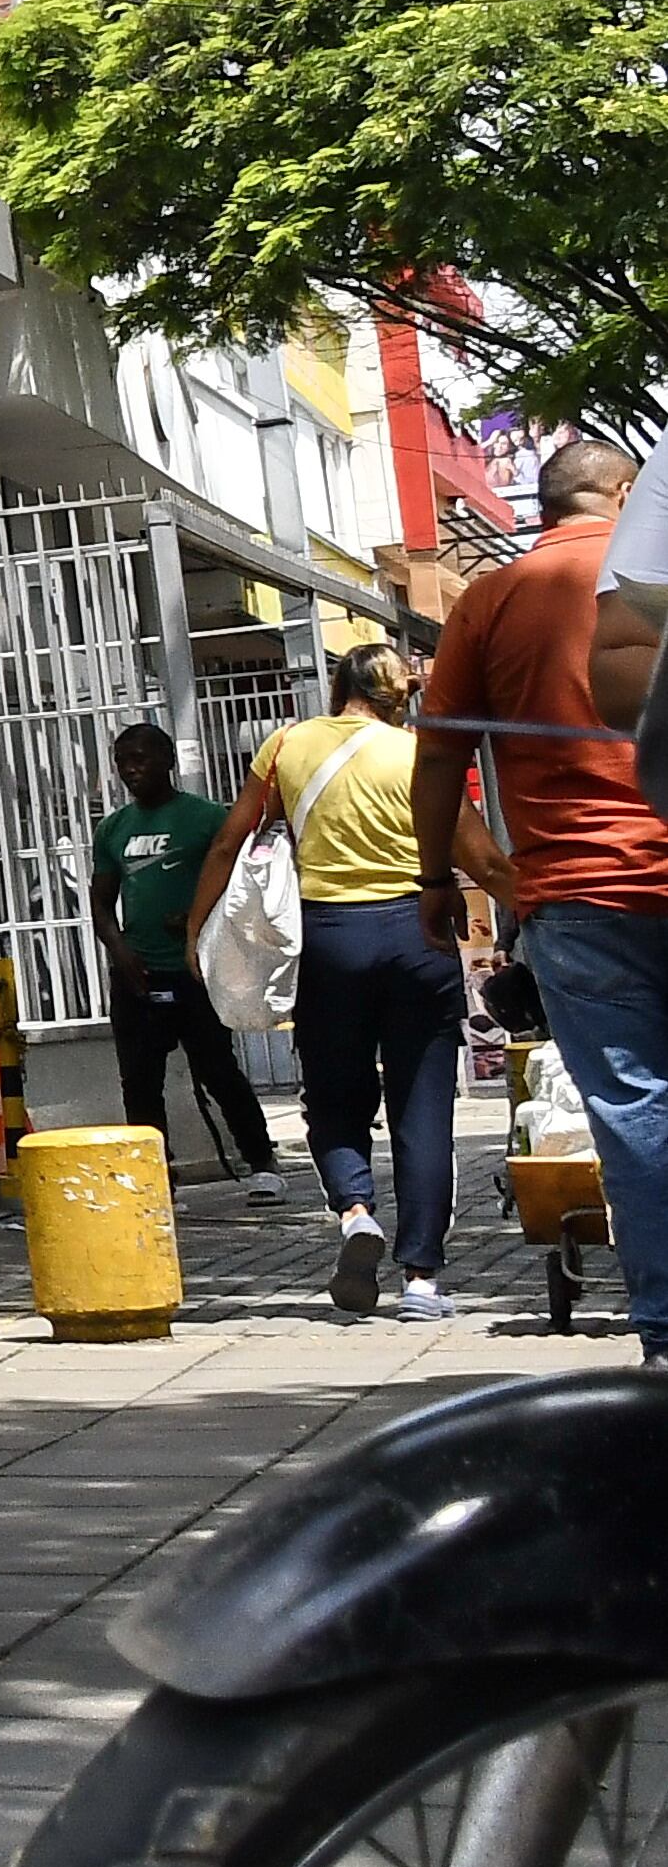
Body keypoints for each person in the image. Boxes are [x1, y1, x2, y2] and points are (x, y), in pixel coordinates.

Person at [418, 439, 664, 1354]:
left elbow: (440, 754)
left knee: (635, 1110)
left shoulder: (489, 598)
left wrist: (458, 878)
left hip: (579, 896)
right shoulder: (656, 573)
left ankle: (667, 1335)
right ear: (627, 494)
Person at [186, 641, 478, 1322]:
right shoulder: (415, 754)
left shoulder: (287, 744)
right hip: (417, 935)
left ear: (338, 686)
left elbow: (229, 842)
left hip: (329, 944)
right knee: (423, 1108)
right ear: (394, 696)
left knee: (334, 1094)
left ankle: (354, 1212)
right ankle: (423, 1282)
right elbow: (473, 846)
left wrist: (197, 933)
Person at [91, 724, 288, 1200]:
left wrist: (201, 917)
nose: (131, 768)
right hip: (137, 975)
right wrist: (120, 952)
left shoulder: (204, 818)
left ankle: (262, 1163)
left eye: (140, 757)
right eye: (122, 760)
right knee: (139, 1080)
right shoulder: (113, 828)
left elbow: (242, 882)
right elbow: (101, 901)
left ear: (167, 761)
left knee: (218, 1069)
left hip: (193, 969)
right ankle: (155, 1172)